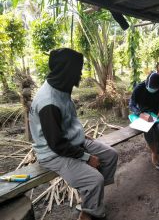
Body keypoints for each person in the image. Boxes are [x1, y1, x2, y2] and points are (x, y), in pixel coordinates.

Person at [29, 48, 118, 220]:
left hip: (70, 142)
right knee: (95, 180)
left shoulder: (61, 86)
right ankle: (89, 212)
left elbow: (65, 123)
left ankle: (92, 201)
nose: (81, 73)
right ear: (67, 71)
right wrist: (86, 158)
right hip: (52, 153)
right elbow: (56, 144)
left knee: (111, 155)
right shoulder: (48, 102)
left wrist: (80, 136)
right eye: (78, 70)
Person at [129, 72, 159, 171]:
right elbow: (131, 104)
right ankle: (154, 155)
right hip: (143, 113)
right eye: (151, 87)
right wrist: (138, 113)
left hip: (155, 114)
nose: (153, 90)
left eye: (156, 88)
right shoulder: (139, 88)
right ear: (147, 82)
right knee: (148, 129)